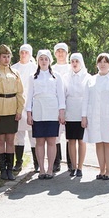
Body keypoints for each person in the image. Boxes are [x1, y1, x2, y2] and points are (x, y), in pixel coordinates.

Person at [0, 44, 25, 181]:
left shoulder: (15, 73)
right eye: (4, 57)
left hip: (12, 109)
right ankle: (2, 169)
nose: (6, 59)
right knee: (0, 140)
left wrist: (19, 110)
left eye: (8, 56)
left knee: (10, 139)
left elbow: (20, 93)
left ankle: (10, 169)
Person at [83, 53, 109, 180]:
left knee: (108, 142)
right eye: (100, 62)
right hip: (94, 116)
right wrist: (84, 116)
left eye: (105, 62)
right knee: (98, 142)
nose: (102, 64)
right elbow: (86, 99)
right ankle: (101, 170)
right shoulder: (91, 80)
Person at [26, 49, 66, 179]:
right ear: (38, 61)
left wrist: (61, 112)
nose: (43, 61)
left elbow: (60, 95)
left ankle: (50, 169)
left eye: (46, 59)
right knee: (39, 141)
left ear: (50, 61)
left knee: (51, 141)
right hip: (38, 111)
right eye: (41, 59)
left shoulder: (56, 76)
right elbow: (29, 96)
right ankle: (41, 169)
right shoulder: (32, 77)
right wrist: (29, 113)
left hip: (52, 111)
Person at [63, 52, 90, 178]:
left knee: (81, 140)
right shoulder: (65, 77)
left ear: (81, 62)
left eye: (76, 61)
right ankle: (73, 166)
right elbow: (63, 95)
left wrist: (86, 115)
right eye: (72, 61)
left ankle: (80, 167)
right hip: (70, 111)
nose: (74, 64)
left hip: (82, 112)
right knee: (71, 140)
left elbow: (89, 97)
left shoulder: (87, 77)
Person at [13, 43, 37, 173]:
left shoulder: (35, 68)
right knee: (18, 135)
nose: (23, 55)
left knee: (33, 135)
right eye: (22, 52)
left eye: (26, 52)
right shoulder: (14, 68)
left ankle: (36, 162)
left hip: (31, 104)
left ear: (30, 54)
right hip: (17, 105)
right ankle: (19, 162)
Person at [53, 42, 71, 173]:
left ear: (67, 53)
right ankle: (56, 161)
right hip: (55, 106)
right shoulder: (51, 68)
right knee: (56, 135)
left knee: (70, 135)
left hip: (70, 105)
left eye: (63, 51)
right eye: (58, 51)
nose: (60, 53)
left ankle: (71, 162)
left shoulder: (72, 67)